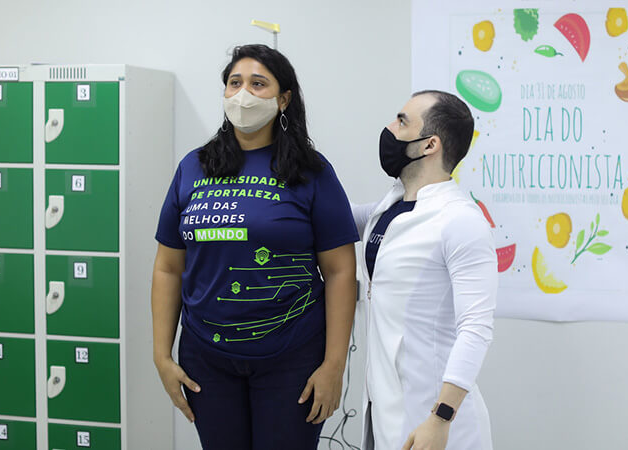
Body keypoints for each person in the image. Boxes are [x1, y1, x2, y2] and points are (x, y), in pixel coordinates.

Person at [151, 44, 359, 450]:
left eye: (258, 84)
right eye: (235, 83)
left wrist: (335, 364)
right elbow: (168, 267)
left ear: (284, 99)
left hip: (292, 355)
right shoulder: (194, 166)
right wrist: (162, 356)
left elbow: (340, 271)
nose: (243, 94)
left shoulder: (311, 172)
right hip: (206, 357)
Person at [352, 90, 498, 450]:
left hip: (436, 421)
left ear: (429, 144)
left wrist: (440, 418)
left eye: (402, 121)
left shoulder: (460, 221)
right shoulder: (389, 207)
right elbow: (328, 215)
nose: (389, 128)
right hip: (385, 410)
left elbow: (476, 328)